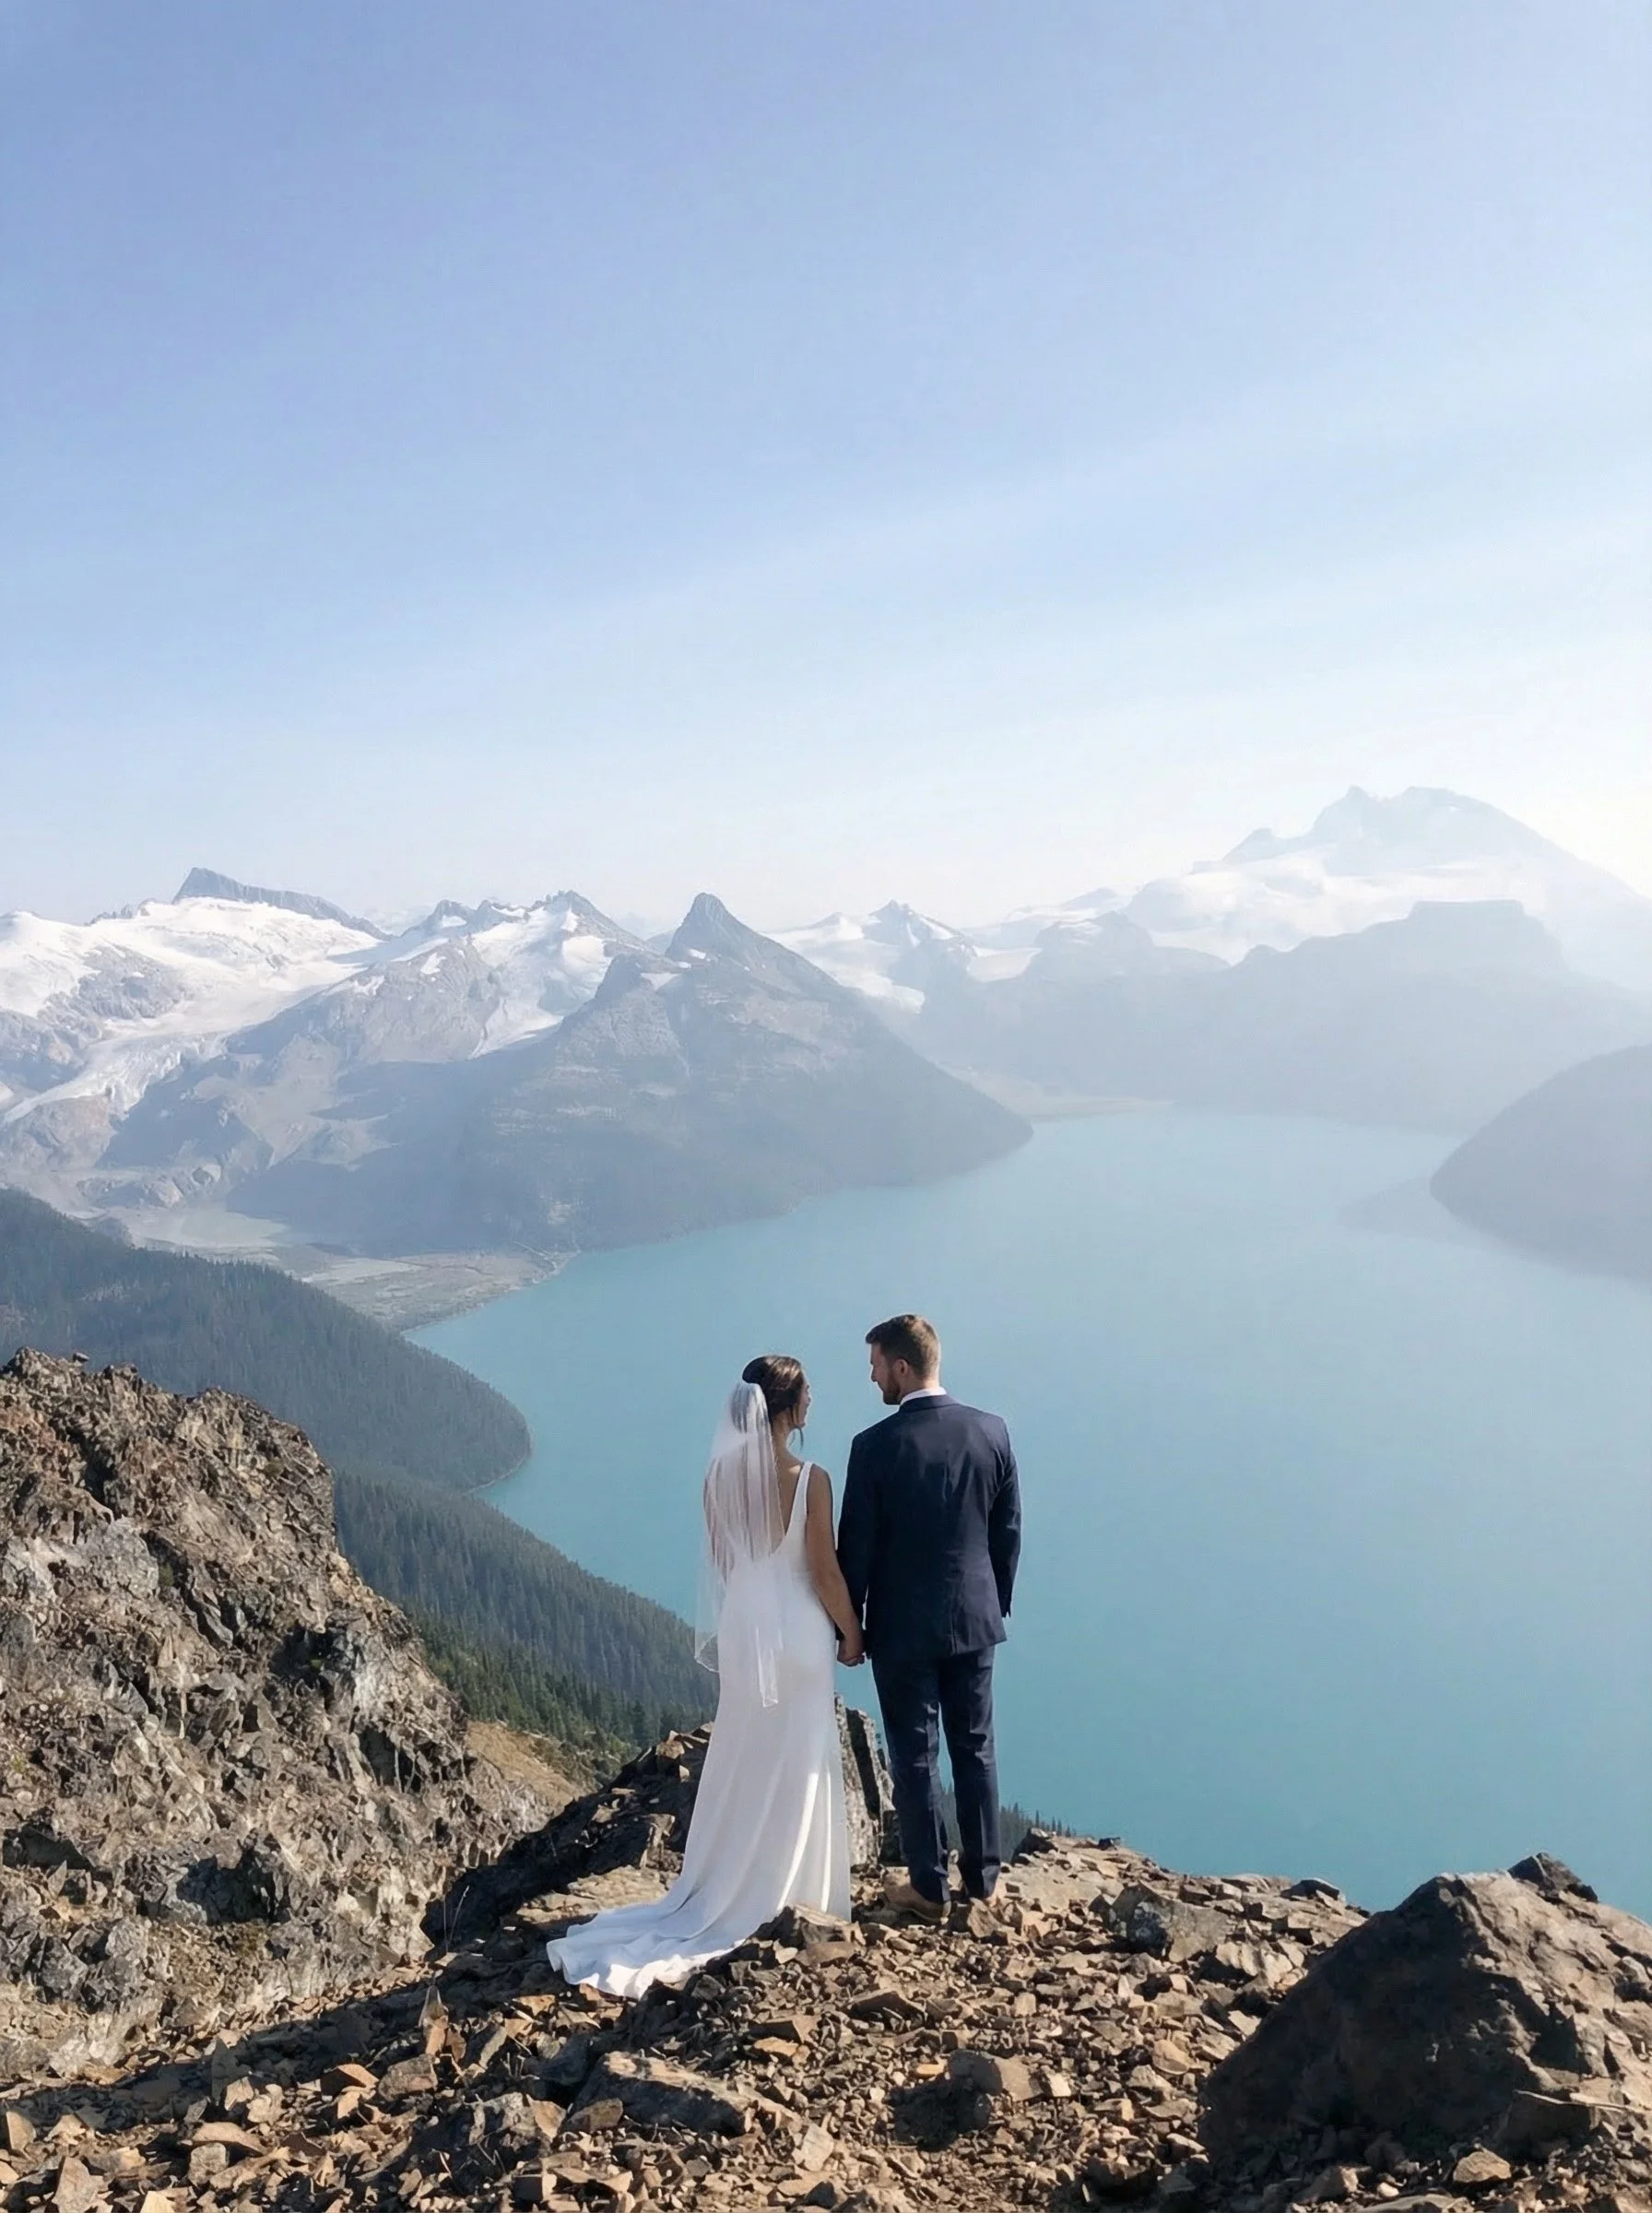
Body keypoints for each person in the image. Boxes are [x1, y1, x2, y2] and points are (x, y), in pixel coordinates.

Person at [546, 1355, 862, 1995]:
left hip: (746, 1635)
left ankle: (723, 1884)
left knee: (745, 1751)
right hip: (799, 1633)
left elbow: (723, 1563)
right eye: (808, 1396)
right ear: (792, 1409)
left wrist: (754, 1608)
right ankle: (795, 1890)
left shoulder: (718, 1477)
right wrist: (852, 1633)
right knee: (799, 1759)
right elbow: (823, 1570)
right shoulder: (811, 1479)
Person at [836, 1314, 1021, 1923]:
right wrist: (998, 1604)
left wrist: (851, 1629)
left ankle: (929, 1886)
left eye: (876, 1368)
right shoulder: (991, 1432)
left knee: (915, 1755)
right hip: (975, 1619)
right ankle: (986, 1880)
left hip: (901, 1628)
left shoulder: (874, 1447)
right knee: (977, 1747)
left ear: (902, 1367)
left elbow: (856, 1549)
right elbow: (1007, 1533)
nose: (873, 1380)